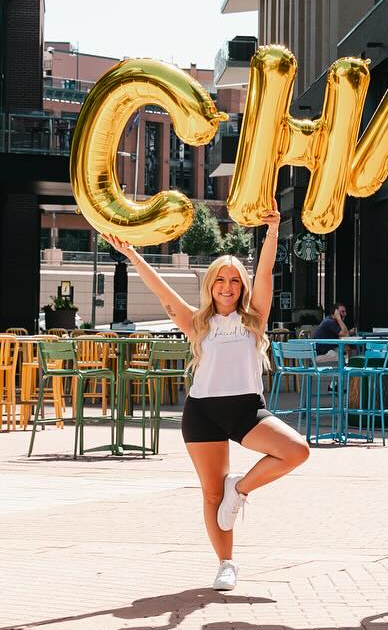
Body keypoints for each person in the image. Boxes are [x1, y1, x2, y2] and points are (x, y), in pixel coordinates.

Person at [110, 206, 308, 591]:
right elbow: (162, 293)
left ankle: (243, 488)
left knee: (296, 450)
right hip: (202, 413)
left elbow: (265, 272)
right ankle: (226, 564)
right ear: (211, 285)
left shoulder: (255, 319)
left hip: (246, 411)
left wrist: (272, 231)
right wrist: (132, 254)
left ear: (242, 286)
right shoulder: (198, 323)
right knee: (212, 493)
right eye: (221, 279)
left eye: (235, 280)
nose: (228, 286)